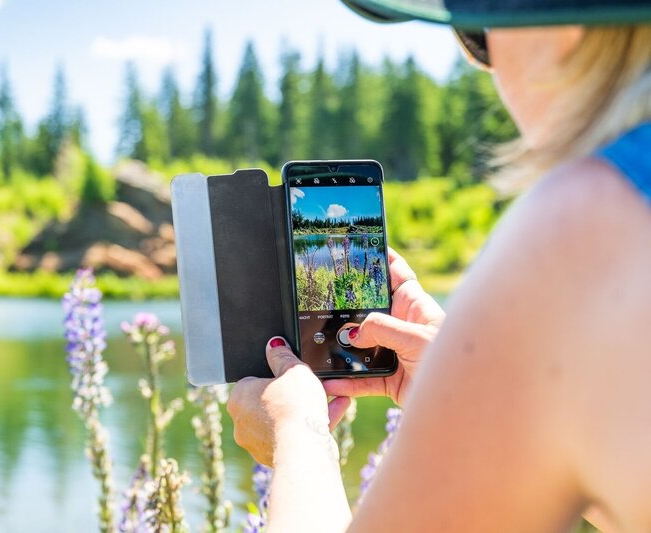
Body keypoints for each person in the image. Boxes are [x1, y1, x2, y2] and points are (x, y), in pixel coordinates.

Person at [227, 1, 651, 531]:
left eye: (479, 27)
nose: (484, 59)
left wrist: (298, 436)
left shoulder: (587, 221)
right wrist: (476, 395)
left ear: (563, 20)